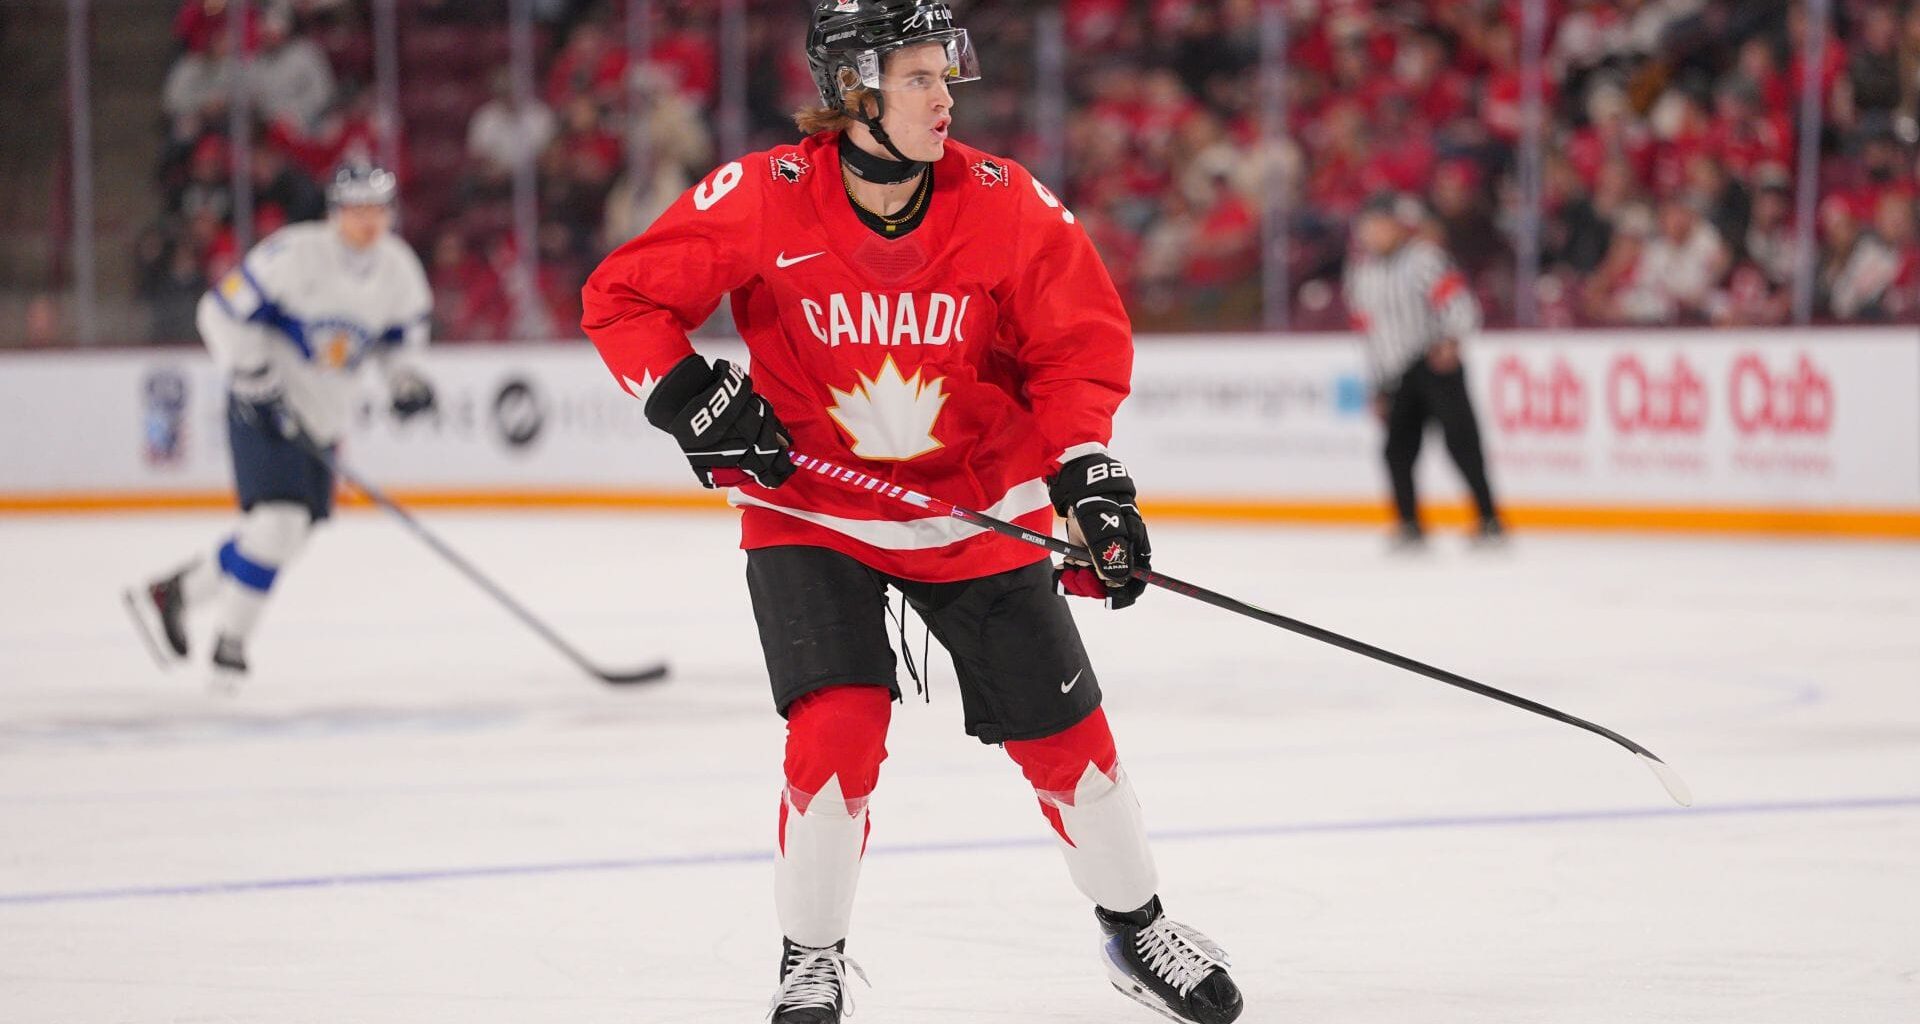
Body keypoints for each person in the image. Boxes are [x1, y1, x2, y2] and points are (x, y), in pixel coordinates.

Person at [580, 3, 1243, 1023]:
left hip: (974, 512)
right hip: (813, 510)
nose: (948, 95)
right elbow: (621, 299)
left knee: (1073, 743)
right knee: (837, 732)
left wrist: (1089, 476)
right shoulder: (766, 195)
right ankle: (811, 955)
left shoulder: (1002, 200)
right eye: (922, 77)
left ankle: (1135, 925)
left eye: (948, 73)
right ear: (855, 91)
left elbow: (1077, 345)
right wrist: (691, 400)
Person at [123, 164, 436, 689]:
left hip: (324, 417)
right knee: (278, 524)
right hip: (262, 407)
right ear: (336, 211)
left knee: (286, 535)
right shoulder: (293, 254)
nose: (368, 222)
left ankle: (172, 593)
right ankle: (230, 648)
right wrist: (253, 377)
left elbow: (401, 341)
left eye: (377, 210)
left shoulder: (398, 269)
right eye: (357, 210)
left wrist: (405, 382)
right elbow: (218, 312)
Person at [1343, 192, 1503, 547]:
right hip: (1396, 374)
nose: (1373, 234)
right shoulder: (1361, 272)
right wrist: (1378, 385)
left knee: (1462, 443)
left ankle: (1489, 518)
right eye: (1368, 228)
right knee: (1397, 451)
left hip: (1434, 365)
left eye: (1380, 226)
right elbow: (1370, 334)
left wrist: (1451, 339)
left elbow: (1460, 304)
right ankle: (1409, 523)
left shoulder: (1424, 259)